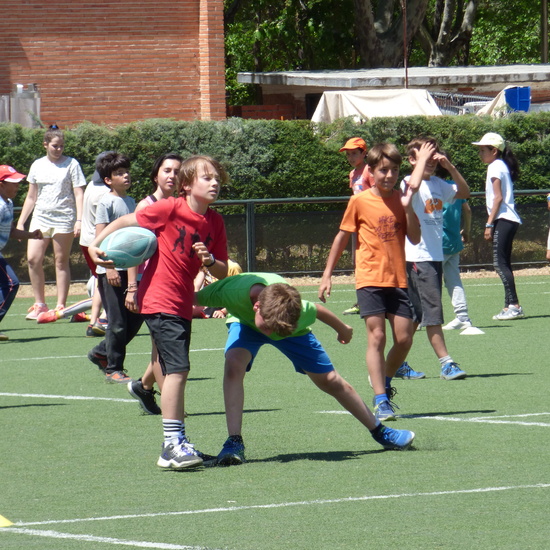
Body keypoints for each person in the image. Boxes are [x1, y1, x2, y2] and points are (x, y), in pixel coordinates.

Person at [89, 155, 229, 470]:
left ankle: (176, 440)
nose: (214, 182)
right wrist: (97, 245)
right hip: (161, 300)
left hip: (181, 303)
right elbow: (129, 220)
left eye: (217, 177)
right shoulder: (170, 208)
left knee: (174, 369)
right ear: (188, 184)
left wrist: (208, 261)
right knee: (177, 370)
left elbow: (221, 271)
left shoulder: (215, 222)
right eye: (207, 178)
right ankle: (171, 446)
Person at [196, 272, 416, 466]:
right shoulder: (230, 291)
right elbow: (189, 297)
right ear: (256, 307)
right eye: (269, 329)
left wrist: (343, 329)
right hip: (244, 323)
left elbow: (318, 310)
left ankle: (379, 431)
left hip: (290, 330)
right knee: (234, 365)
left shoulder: (294, 311)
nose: (271, 336)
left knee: (330, 380)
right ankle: (234, 441)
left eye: (275, 332)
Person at [318, 143, 421, 422]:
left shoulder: (401, 199)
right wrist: (327, 274)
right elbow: (341, 238)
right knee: (377, 336)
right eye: (383, 170)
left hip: (398, 278)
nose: (389, 175)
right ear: (371, 171)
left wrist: (408, 208)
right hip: (369, 277)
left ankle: (384, 381)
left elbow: (414, 238)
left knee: (404, 338)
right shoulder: (359, 201)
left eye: (394, 170)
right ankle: (380, 399)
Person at [399, 137, 470, 382]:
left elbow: (464, 192)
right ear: (412, 160)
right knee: (432, 313)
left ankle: (397, 362)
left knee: (415, 314)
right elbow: (415, 185)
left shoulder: (439, 183)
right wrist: (420, 161)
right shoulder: (408, 180)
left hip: (433, 256)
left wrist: (449, 167)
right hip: (419, 256)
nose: (430, 162)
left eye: (433, 158)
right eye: (424, 158)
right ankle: (446, 363)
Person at [126, 153, 183, 415]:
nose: (172, 176)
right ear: (155, 175)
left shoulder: (183, 205)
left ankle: (144, 386)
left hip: (173, 285)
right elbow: (131, 249)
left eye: (177, 171)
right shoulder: (145, 206)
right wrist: (132, 287)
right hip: (150, 286)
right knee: (161, 351)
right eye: (167, 170)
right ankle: (173, 410)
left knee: (163, 348)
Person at [16, 125, 86, 319]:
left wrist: (79, 220)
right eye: (55, 146)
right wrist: (21, 222)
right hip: (40, 218)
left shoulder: (72, 164)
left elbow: (79, 193)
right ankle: (40, 304)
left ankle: (60, 306)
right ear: (45, 144)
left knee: (61, 261)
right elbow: (31, 196)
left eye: (62, 146)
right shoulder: (37, 165)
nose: (59, 149)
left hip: (64, 218)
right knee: (33, 259)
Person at [87, 152, 143, 384]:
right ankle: (113, 368)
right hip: (109, 270)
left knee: (134, 319)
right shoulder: (106, 202)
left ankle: (101, 351)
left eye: (126, 171)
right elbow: (100, 238)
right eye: (119, 173)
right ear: (108, 180)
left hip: (127, 270)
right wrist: (109, 268)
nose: (126, 175)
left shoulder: (131, 202)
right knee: (118, 322)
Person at [472, 132, 524, 320]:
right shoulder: (500, 165)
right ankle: (508, 305)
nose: (480, 153)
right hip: (508, 220)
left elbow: (498, 198)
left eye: (483, 150)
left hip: (504, 219)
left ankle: (515, 306)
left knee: (499, 263)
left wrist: (489, 223)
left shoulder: (495, 166)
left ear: (494, 151)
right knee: (504, 263)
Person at [0, 166, 43, 341]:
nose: (18, 186)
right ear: (1, 185)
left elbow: (11, 232)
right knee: (11, 284)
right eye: (14, 183)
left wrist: (31, 235)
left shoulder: (7, 204)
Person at [338, 137, 375, 316]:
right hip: (359, 224)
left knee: (372, 262)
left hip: (374, 225)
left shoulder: (370, 171)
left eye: (354, 153)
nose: (351, 157)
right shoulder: (352, 174)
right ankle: (362, 301)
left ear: (364, 153)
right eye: (348, 154)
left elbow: (379, 196)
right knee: (359, 262)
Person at [79, 152, 113, 336]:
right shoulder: (104, 194)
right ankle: (104, 318)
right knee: (108, 282)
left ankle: (94, 322)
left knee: (101, 281)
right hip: (99, 244)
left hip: (87, 241)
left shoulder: (92, 184)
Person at [441, 198, 474, 330]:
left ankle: (424, 317)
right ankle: (462, 317)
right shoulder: (456, 189)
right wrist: (466, 230)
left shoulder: (434, 188)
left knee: (428, 281)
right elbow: (468, 210)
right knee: (453, 280)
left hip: (438, 243)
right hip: (454, 242)